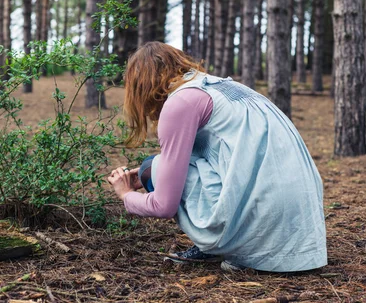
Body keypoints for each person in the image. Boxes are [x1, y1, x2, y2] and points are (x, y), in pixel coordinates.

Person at [107, 42, 327, 272]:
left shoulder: (180, 101)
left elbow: (164, 206)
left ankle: (229, 248)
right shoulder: (218, 86)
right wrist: (144, 178)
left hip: (264, 219)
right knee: (150, 171)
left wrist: (126, 195)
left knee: (152, 166)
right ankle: (229, 247)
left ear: (141, 85)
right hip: (302, 231)